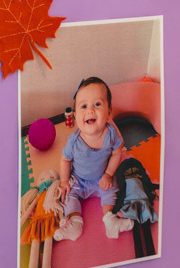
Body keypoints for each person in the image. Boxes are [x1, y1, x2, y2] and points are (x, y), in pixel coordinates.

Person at [51, 77, 135, 242]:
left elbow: (117, 153)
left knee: (112, 189)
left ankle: (110, 221)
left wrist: (109, 174)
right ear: (75, 116)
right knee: (69, 196)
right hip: (79, 180)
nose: (90, 110)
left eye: (97, 104)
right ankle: (74, 223)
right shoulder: (74, 141)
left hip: (100, 178)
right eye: (83, 106)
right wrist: (64, 182)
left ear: (109, 111)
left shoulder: (111, 134)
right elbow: (65, 160)